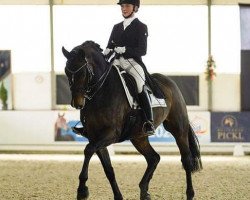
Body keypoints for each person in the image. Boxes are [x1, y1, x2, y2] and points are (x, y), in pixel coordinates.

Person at [104, 0, 155, 135]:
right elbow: (109, 45)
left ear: (135, 8)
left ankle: (149, 121)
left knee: (139, 84)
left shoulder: (141, 27)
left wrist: (125, 49)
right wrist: (106, 51)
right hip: (115, 62)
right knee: (101, 79)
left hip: (132, 62)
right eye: (122, 6)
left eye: (127, 6)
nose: (124, 8)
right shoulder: (116, 27)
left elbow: (142, 50)